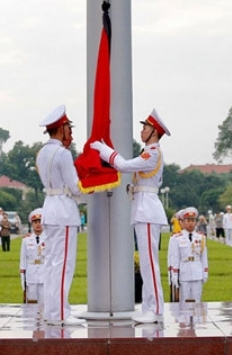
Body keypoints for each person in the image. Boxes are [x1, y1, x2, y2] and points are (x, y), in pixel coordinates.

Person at [92, 108, 171, 324]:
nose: (142, 131)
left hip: (147, 210)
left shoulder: (152, 152)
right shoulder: (149, 151)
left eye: (145, 127)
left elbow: (124, 166)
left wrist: (104, 149)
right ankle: (149, 308)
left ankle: (155, 310)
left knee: (149, 263)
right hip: (143, 208)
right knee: (147, 263)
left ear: (154, 131)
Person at [36, 105, 85, 326]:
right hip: (64, 211)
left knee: (51, 264)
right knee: (63, 264)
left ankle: (52, 310)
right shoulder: (63, 153)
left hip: (50, 208)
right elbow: (75, 187)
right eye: (68, 128)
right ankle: (60, 313)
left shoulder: (42, 152)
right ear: (61, 128)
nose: (70, 132)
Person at [168, 207, 208, 304]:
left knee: (197, 302)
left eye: (193, 220)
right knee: (183, 302)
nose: (190, 223)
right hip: (184, 272)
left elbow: (204, 257)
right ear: (183, 222)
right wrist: (174, 275)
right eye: (188, 220)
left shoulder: (201, 237)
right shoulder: (177, 238)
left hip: (197, 272)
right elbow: (174, 258)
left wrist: (205, 272)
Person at [20, 208, 46, 304]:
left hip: (44, 273)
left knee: (43, 302)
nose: (38, 224)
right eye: (35, 222)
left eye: (40, 221)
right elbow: (23, 261)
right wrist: (23, 279)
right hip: (31, 274)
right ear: (32, 224)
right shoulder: (26, 240)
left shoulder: (48, 239)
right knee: (31, 303)